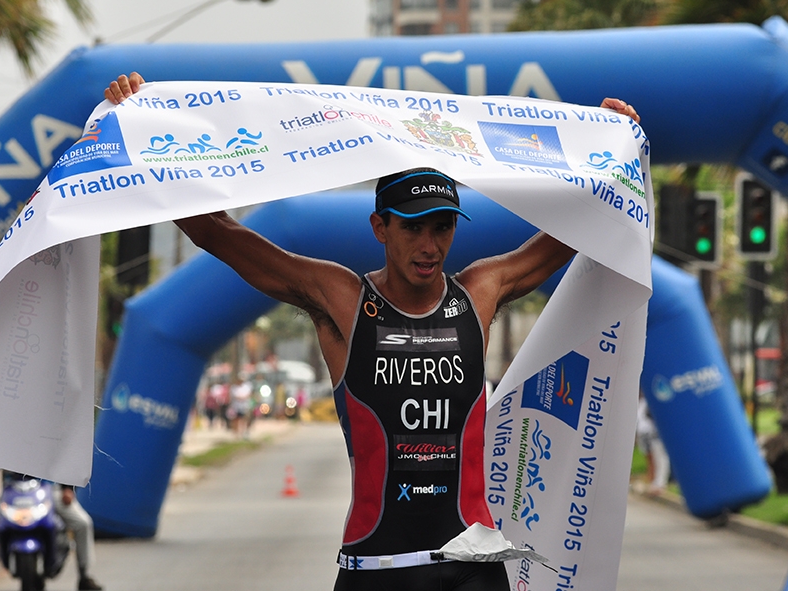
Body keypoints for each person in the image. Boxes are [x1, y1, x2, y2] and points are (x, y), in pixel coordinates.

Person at [105, 73, 639, 591]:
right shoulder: (341, 298)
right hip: (377, 570)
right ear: (380, 227)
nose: (429, 246)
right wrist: (145, 137)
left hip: (473, 567)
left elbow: (575, 230)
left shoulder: (480, 291)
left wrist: (612, 149)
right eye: (412, 227)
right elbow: (218, 233)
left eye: (442, 227)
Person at [0, 471, 103, 590]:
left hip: (49, 489)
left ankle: (84, 575)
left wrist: (68, 489)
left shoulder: (52, 443)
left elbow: (66, 459)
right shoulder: (8, 445)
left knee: (83, 523)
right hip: (13, 490)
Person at [635, 390, 669, 495]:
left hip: (653, 432)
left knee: (659, 457)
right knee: (649, 456)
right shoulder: (642, 402)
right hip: (643, 432)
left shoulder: (653, 401)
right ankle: (651, 480)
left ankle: (660, 484)